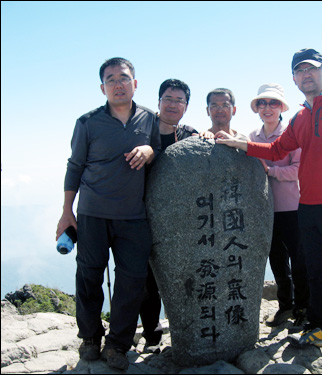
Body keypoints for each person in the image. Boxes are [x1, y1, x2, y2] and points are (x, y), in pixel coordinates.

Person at [215, 48, 322, 374]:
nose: (307, 75)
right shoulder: (301, 117)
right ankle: (318, 328)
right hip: (307, 206)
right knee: (316, 272)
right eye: (300, 71)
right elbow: (278, 150)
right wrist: (241, 145)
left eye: (312, 70)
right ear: (294, 78)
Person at [56, 57, 161, 371]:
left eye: (124, 77)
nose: (118, 83)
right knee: (89, 277)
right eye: (111, 79)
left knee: (132, 281)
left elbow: (157, 148)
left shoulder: (149, 119)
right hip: (92, 213)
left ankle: (118, 344)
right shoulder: (87, 122)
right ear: (103, 87)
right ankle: (90, 337)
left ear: (135, 83)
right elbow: (74, 167)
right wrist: (66, 212)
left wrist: (149, 150)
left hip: (134, 216)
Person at [139, 78, 198, 354]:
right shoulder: (141, 132)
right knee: (144, 281)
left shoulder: (190, 135)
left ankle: (186, 331)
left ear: (186, 106)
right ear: (159, 101)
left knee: (180, 277)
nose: (173, 104)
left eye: (179, 100)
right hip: (140, 216)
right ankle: (151, 335)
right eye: (168, 98)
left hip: (179, 223)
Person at [248, 83, 309, 329]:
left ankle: (303, 308)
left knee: (299, 260)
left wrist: (270, 171)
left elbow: (298, 169)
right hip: (265, 210)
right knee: (277, 262)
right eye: (262, 103)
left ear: (282, 107)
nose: (267, 108)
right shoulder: (252, 137)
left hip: (293, 207)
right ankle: (286, 306)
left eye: (273, 103)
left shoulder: (292, 135)